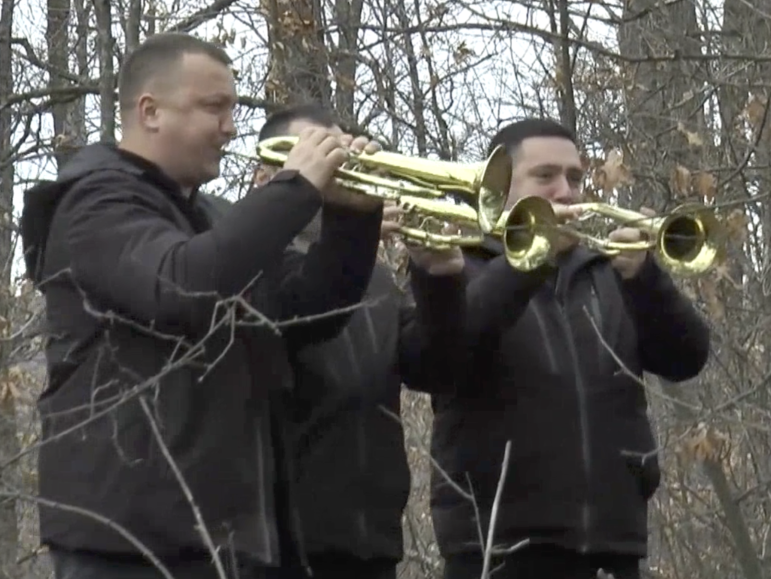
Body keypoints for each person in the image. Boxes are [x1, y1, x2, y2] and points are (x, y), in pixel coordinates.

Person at [18, 32, 386, 579]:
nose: (231, 128)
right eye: (214, 108)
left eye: (232, 108)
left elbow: (308, 312)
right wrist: (294, 189)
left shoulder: (211, 216)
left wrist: (353, 219)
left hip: (226, 536)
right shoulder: (94, 205)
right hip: (130, 539)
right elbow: (183, 287)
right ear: (150, 112)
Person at [426, 117, 712, 579]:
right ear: (498, 187)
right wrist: (529, 260)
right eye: (545, 177)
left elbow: (687, 358)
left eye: (575, 177)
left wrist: (647, 278)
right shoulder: (460, 266)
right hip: (494, 547)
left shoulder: (609, 273)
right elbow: (443, 358)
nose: (566, 191)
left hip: (610, 548)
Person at [247, 104, 467, 579]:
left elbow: (432, 369)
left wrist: (439, 281)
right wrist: (349, 227)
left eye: (344, 158)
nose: (339, 170)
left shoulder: (377, 280)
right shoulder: (250, 265)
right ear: (266, 176)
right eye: (321, 156)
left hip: (370, 544)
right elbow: (305, 304)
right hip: (277, 549)